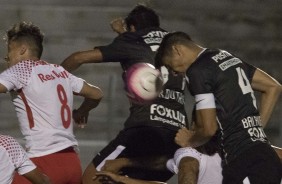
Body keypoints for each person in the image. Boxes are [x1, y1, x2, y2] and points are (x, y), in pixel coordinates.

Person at [61, 5, 188, 184]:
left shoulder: (132, 39)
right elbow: (148, 52)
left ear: (133, 27)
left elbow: (78, 58)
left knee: (91, 179)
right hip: (177, 134)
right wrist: (124, 33)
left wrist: (52, 77)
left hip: (144, 130)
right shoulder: (176, 43)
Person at [156, 31, 282, 183]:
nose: (175, 72)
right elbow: (273, 87)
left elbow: (209, 129)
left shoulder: (196, 71)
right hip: (262, 155)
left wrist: (190, 140)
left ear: (177, 50)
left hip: (243, 160)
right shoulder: (226, 57)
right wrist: (254, 133)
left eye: (171, 66)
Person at [0, 21, 103, 184]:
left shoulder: (22, 70)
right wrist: (82, 112)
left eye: (9, 52)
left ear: (22, 50)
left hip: (43, 161)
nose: (7, 59)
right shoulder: (59, 71)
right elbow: (96, 94)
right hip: (72, 163)